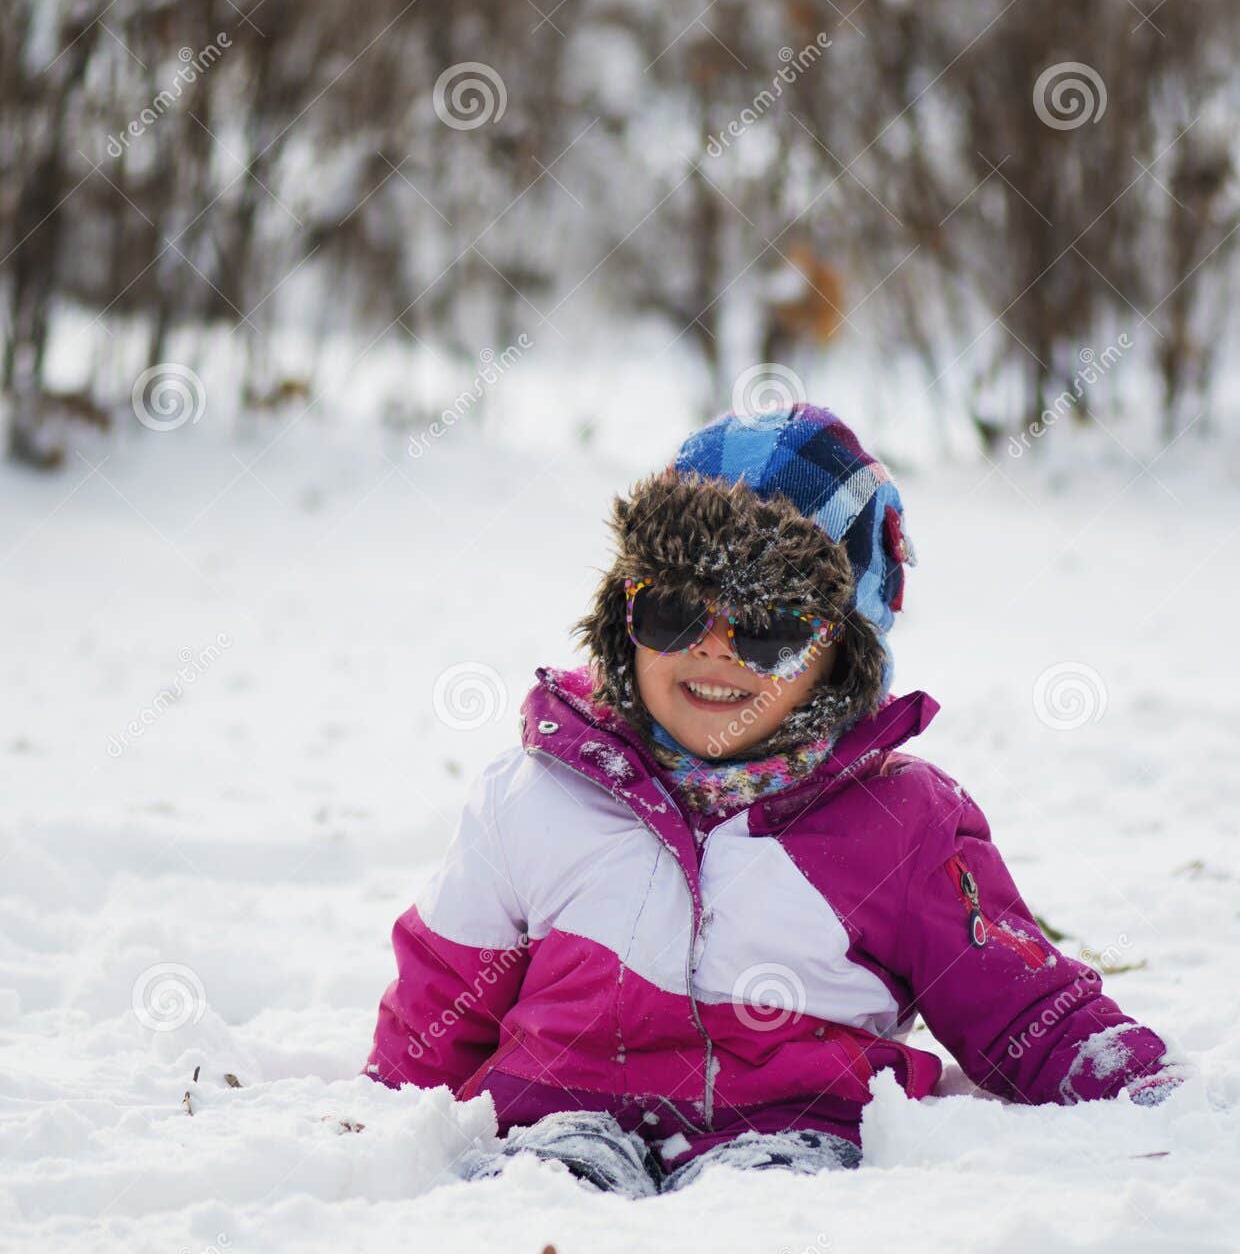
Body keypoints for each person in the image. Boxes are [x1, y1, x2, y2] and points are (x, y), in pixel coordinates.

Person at [365, 403, 1182, 1196]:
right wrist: (390, 1107)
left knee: (771, 1218)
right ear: (625, 617)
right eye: (677, 608)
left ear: (844, 656)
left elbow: (1014, 999)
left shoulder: (903, 825)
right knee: (538, 1197)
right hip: (556, 1116)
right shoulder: (540, 794)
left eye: (769, 625)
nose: (717, 646)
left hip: (798, 1129)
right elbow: (447, 984)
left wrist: (1140, 1089)